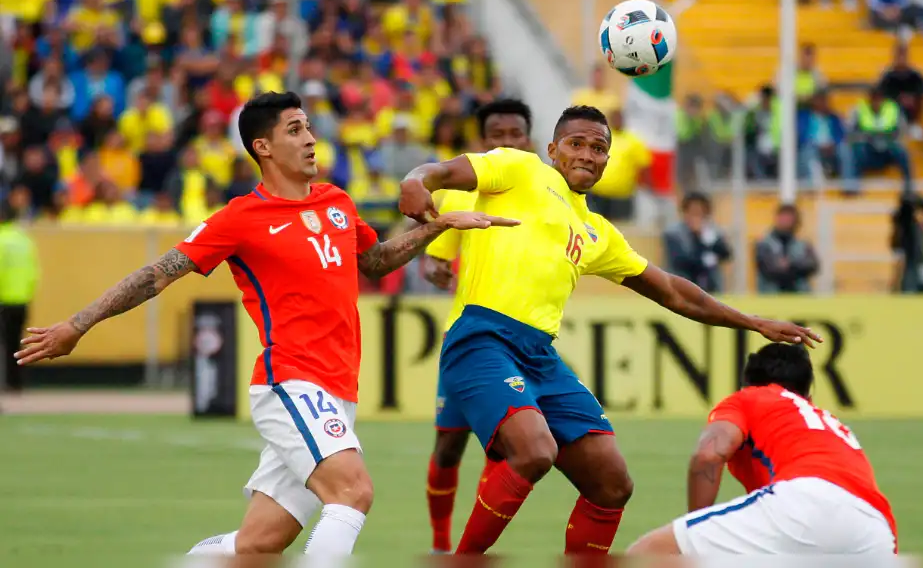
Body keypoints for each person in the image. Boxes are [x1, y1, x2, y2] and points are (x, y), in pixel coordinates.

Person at [13, 91, 517, 557]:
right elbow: (155, 275)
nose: (312, 138)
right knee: (353, 491)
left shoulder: (337, 202)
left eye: (309, 127)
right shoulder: (240, 217)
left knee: (258, 545)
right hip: (291, 380)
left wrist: (438, 225)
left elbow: (376, 262)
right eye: (295, 130)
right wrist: (76, 325)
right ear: (264, 146)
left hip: (337, 387)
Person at [398, 105, 821, 555]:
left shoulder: (597, 232)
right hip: (481, 338)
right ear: (552, 149)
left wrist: (753, 321)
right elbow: (439, 171)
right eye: (576, 143)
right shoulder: (519, 167)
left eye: (599, 148)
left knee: (612, 482)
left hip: (539, 355)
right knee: (534, 451)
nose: (587, 154)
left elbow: (675, 292)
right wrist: (414, 181)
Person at [626, 343, 897, 556]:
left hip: (806, 502)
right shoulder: (828, 423)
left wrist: (694, 544)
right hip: (877, 531)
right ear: (808, 396)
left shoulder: (752, 398)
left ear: (747, 385)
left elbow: (708, 455)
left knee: (649, 555)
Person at [420, 97, 535, 554]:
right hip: (468, 339)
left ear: (530, 139)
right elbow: (435, 260)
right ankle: (439, 546)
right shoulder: (460, 195)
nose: (506, 144)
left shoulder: (549, 193)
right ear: (481, 143)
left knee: (506, 448)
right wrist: (437, 270)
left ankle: (473, 551)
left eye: (514, 135)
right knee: (449, 448)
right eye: (496, 136)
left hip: (524, 342)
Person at [0, 199, 39, 394]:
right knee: (15, 344)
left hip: (3, 298)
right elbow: (33, 271)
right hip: (22, 298)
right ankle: (16, 384)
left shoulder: (1, 239)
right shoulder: (24, 240)